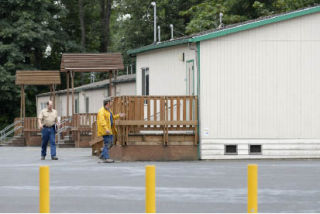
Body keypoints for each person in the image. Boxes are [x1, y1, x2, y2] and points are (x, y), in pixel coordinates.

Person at [97, 97, 125, 163]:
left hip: (110, 130)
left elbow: (112, 118)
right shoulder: (102, 111)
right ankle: (106, 158)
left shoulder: (108, 110)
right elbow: (102, 121)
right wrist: (106, 129)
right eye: (111, 102)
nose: (112, 103)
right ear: (107, 103)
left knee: (111, 143)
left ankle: (103, 155)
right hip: (105, 131)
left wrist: (118, 115)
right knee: (108, 143)